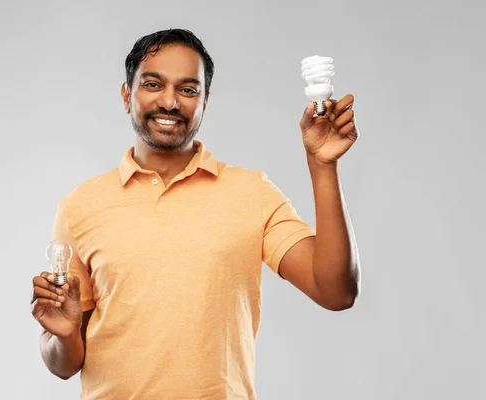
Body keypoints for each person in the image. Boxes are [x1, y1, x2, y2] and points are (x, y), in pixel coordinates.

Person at [30, 28, 360, 399]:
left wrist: (321, 165)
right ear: (127, 95)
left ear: (204, 102)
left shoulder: (251, 192)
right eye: (153, 84)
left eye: (188, 90)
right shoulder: (79, 207)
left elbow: (336, 292)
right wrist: (62, 334)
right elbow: (65, 364)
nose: (170, 102)